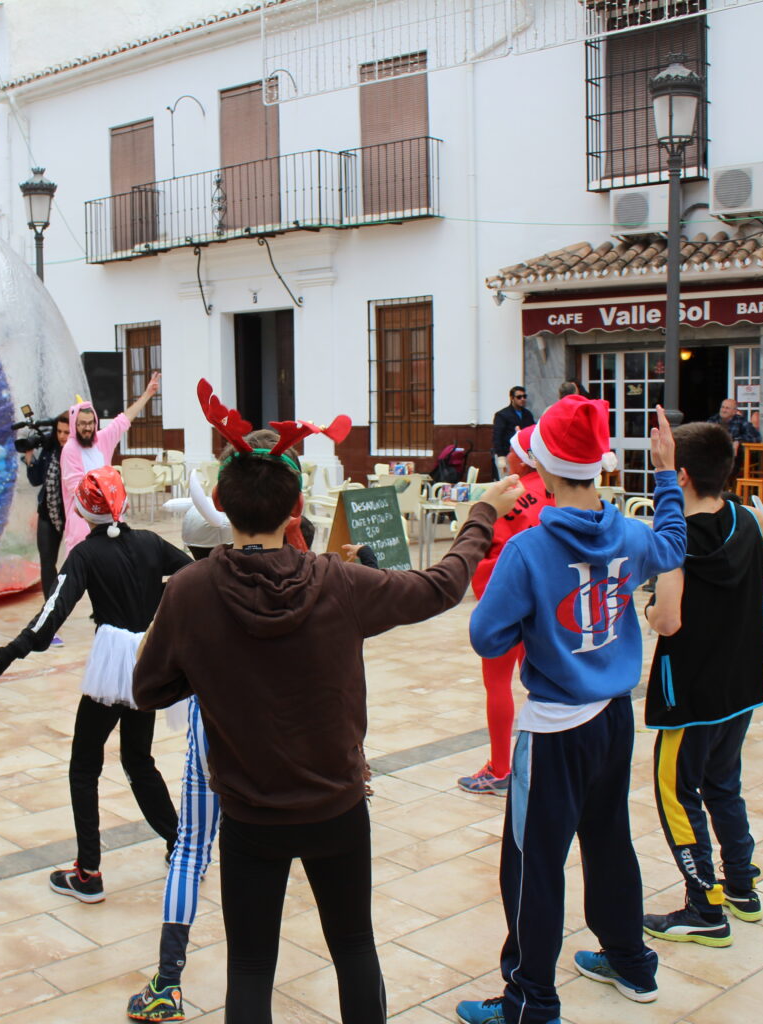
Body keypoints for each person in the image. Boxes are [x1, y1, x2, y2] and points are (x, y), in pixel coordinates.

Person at [131, 385, 515, 1024]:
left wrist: (214, 666)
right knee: (354, 949)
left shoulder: (191, 591)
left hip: (250, 813)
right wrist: (479, 515)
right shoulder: (339, 584)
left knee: (251, 966)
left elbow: (150, 689)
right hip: (336, 805)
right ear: (297, 509)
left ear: (222, 505)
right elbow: (442, 585)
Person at [457, 397, 686, 1024]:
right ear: (598, 467)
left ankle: (531, 1001)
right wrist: (666, 475)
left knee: (532, 866)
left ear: (545, 470)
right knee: (610, 841)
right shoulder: (629, 531)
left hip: (557, 727)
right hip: (614, 718)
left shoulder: (530, 551)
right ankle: (632, 963)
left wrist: (528, 621)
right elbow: (671, 545)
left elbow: (485, 636)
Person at [0, 467, 183, 903]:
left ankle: (89, 873)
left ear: (84, 511)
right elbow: (190, 576)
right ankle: (180, 846)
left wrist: (9, 654)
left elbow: (52, 613)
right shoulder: (148, 542)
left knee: (84, 768)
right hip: (146, 662)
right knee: (138, 760)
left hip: (111, 668)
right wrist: (155, 597)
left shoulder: (87, 555)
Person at [639, 425, 763, 948]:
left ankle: (703, 906)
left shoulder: (676, 542)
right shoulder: (745, 520)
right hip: (741, 684)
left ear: (679, 474)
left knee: (677, 792)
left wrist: (646, 608)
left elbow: (667, 621)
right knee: (722, 783)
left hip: (692, 693)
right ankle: (741, 886)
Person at [459, 424, 552, 796]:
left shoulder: (505, 495)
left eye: (511, 449)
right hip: (548, 601)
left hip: (507, 600)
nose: (506, 455)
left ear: (522, 457)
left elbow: (484, 548)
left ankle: (500, 768)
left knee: (497, 683)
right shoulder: (557, 488)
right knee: (543, 684)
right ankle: (543, 761)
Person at [61, 372, 162, 555]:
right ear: (74, 424)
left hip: (111, 519)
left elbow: (124, 420)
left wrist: (147, 393)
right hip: (83, 523)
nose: (88, 427)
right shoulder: (70, 449)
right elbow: (76, 491)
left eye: (91, 423)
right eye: (83, 423)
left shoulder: (102, 439)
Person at [24, 413, 72, 601]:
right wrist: (29, 457)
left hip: (72, 514)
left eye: (67, 432)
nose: (62, 436)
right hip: (47, 511)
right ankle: (50, 606)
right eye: (59, 431)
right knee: (47, 561)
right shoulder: (50, 449)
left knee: (81, 562)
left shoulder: (78, 452)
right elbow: (36, 479)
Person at [491, 385, 534, 477]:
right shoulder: (502, 415)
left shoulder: (528, 414)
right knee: (508, 481)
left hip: (524, 455)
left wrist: (532, 457)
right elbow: (497, 436)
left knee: (526, 481)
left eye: (524, 396)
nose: (522, 399)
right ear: (512, 398)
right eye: (519, 397)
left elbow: (531, 436)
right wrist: (500, 456)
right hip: (507, 454)